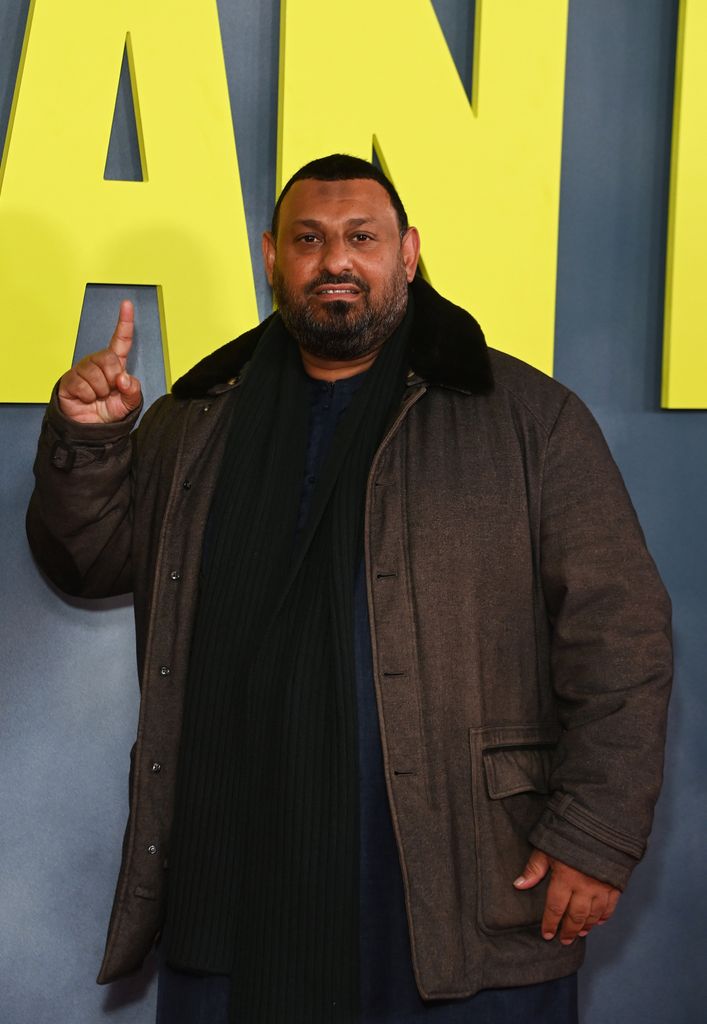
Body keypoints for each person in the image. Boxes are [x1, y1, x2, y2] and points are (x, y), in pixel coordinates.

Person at [27, 154, 672, 1024]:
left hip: (455, 890)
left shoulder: (524, 416)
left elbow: (620, 637)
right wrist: (89, 442)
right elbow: (90, 561)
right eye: (309, 239)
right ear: (271, 258)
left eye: (361, 238)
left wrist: (595, 835)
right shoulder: (196, 419)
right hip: (234, 891)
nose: (336, 260)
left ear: (406, 254)